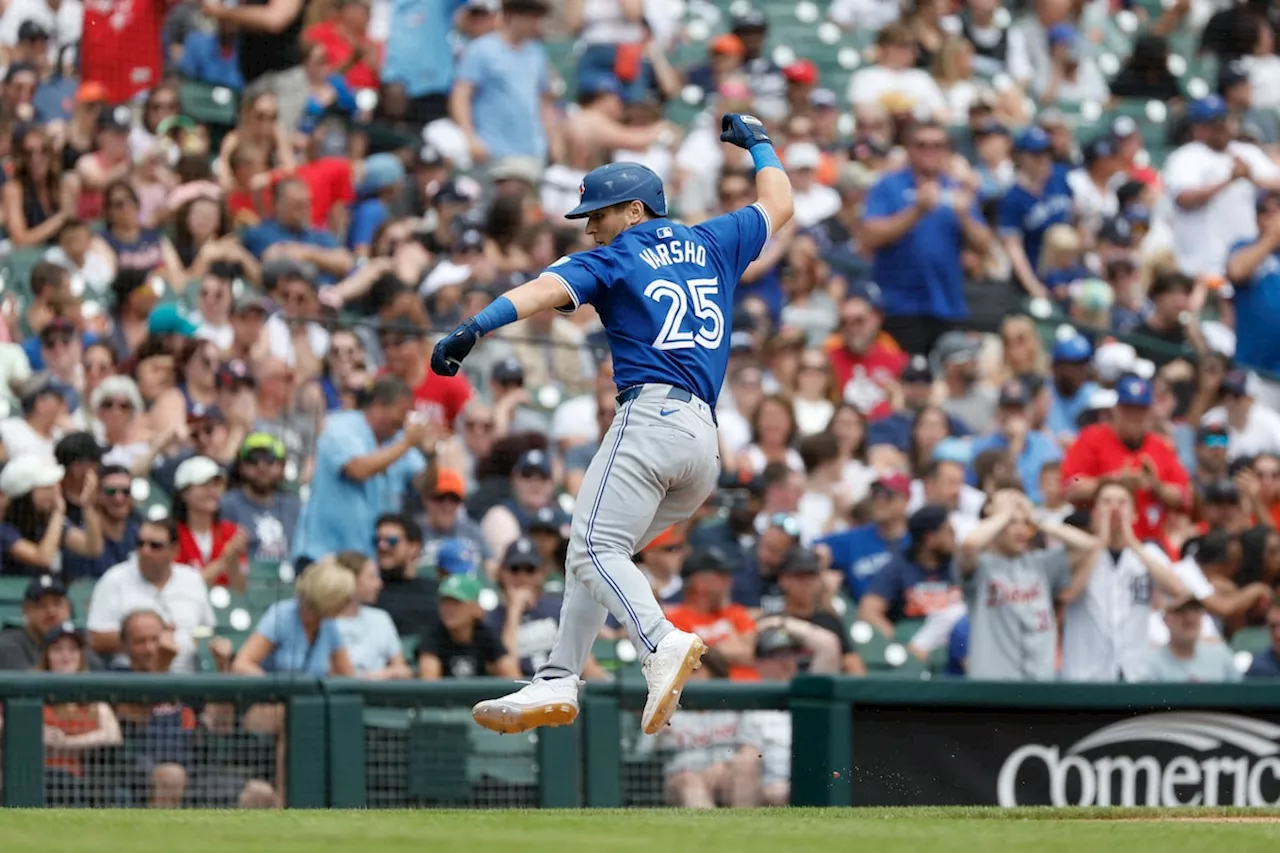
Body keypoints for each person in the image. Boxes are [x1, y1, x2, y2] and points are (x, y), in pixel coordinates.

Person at [437, 114, 793, 735]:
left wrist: (474, 328)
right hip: (704, 442)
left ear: (633, 210)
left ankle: (658, 642)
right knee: (598, 553)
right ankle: (556, 679)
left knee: (593, 546)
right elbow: (780, 202)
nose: (592, 227)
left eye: (599, 214)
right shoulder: (714, 240)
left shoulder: (622, 253)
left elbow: (544, 291)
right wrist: (760, 143)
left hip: (651, 417)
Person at [860, 120, 993, 355]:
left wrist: (964, 215)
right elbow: (869, 236)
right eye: (921, 145)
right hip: (899, 307)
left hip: (948, 305)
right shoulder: (889, 185)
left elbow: (985, 245)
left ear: (946, 150)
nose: (929, 151)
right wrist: (916, 211)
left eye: (937, 145)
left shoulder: (956, 189)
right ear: (909, 149)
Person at [956, 489, 1100, 681]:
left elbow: (1091, 546)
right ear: (993, 524)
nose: (1021, 530)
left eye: (1025, 523)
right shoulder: (981, 565)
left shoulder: (1040, 563)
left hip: (1039, 684)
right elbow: (970, 544)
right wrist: (1004, 514)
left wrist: (1039, 520)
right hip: (992, 687)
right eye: (1011, 523)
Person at [291, 377, 428, 564]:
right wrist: (406, 444)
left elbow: (425, 485)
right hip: (325, 557)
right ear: (379, 405)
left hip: (368, 560)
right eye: (402, 411)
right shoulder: (340, 427)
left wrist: (432, 454)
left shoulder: (397, 439)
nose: (405, 419)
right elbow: (357, 469)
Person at [1060, 483, 1189, 682]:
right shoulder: (1080, 552)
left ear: (1135, 514)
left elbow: (1178, 590)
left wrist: (1133, 542)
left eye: (1122, 503)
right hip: (1084, 672)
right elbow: (1068, 594)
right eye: (1106, 502)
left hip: (1133, 672)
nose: (1114, 508)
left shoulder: (1146, 554)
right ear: (1095, 513)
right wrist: (1100, 542)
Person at [85, 517, 216, 674]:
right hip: (131, 677)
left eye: (155, 546)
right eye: (140, 543)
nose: (145, 551)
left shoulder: (192, 579)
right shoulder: (114, 579)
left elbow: (207, 629)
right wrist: (148, 636)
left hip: (186, 677)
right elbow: (95, 639)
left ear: (174, 550)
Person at [233, 557, 355, 677]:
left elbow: (348, 677)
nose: (348, 603)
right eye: (344, 599)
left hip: (311, 696)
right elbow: (242, 664)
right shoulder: (281, 615)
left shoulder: (328, 624)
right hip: (273, 695)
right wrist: (273, 690)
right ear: (328, 601)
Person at [857, 504, 960, 638]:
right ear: (930, 538)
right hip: (913, 643)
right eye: (949, 532)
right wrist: (897, 643)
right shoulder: (899, 567)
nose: (954, 537)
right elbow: (868, 610)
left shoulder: (958, 566)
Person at [417, 574, 520, 679]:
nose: (448, 609)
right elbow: (429, 682)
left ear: (475, 607)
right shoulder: (432, 638)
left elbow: (512, 677)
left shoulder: (486, 636)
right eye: (445, 602)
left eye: (456, 603)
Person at [332, 551, 413, 679]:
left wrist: (380, 675)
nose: (379, 584)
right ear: (350, 580)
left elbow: (402, 670)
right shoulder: (323, 622)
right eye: (371, 577)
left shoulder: (381, 618)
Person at [0, 575, 105, 670]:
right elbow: (28, 687)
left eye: (57, 604)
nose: (51, 612)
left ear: (68, 609)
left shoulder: (78, 642)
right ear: (26, 610)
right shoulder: (9, 645)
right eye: (41, 605)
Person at [1147, 595, 1241, 682]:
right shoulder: (1150, 663)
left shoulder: (1221, 655)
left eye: (1195, 610)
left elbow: (1239, 694)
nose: (1190, 618)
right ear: (1166, 619)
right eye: (1181, 611)